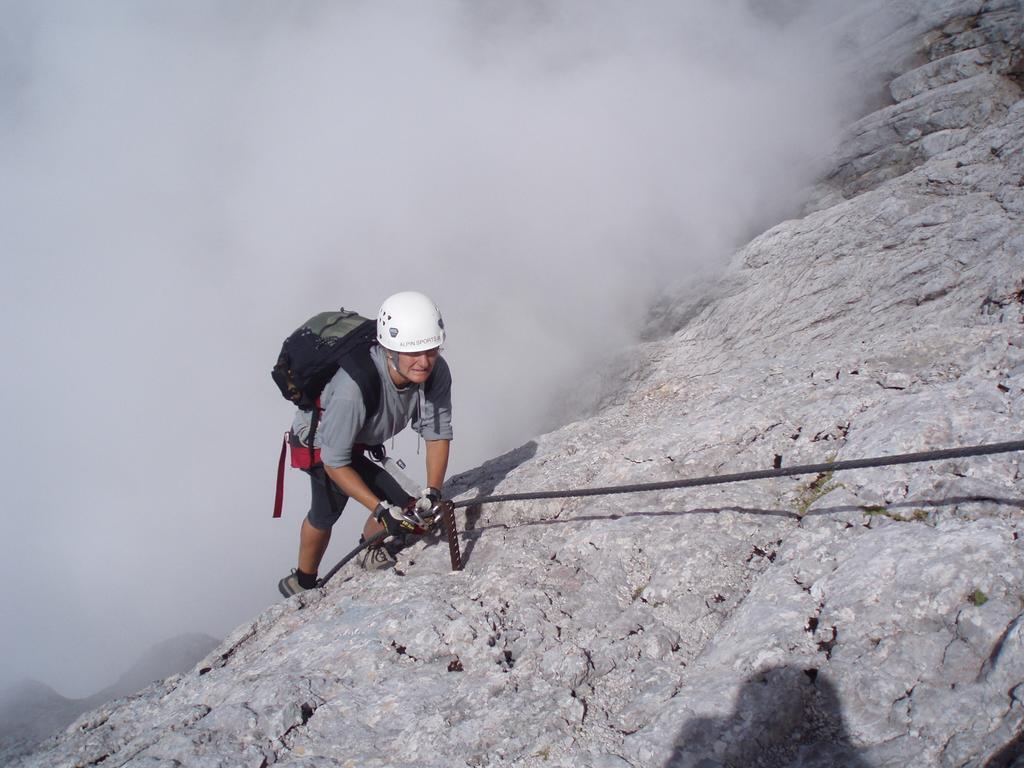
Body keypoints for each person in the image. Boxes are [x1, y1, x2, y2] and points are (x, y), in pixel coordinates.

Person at [278, 291, 453, 597]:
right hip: (321, 443)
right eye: (413, 353)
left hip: (357, 437)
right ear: (389, 350)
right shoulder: (352, 388)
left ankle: (368, 549)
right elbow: (334, 461)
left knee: (408, 508)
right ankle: (301, 582)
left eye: (431, 350)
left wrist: (433, 491)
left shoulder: (436, 372)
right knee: (326, 511)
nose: (424, 362)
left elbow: (436, 431)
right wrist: (380, 509)